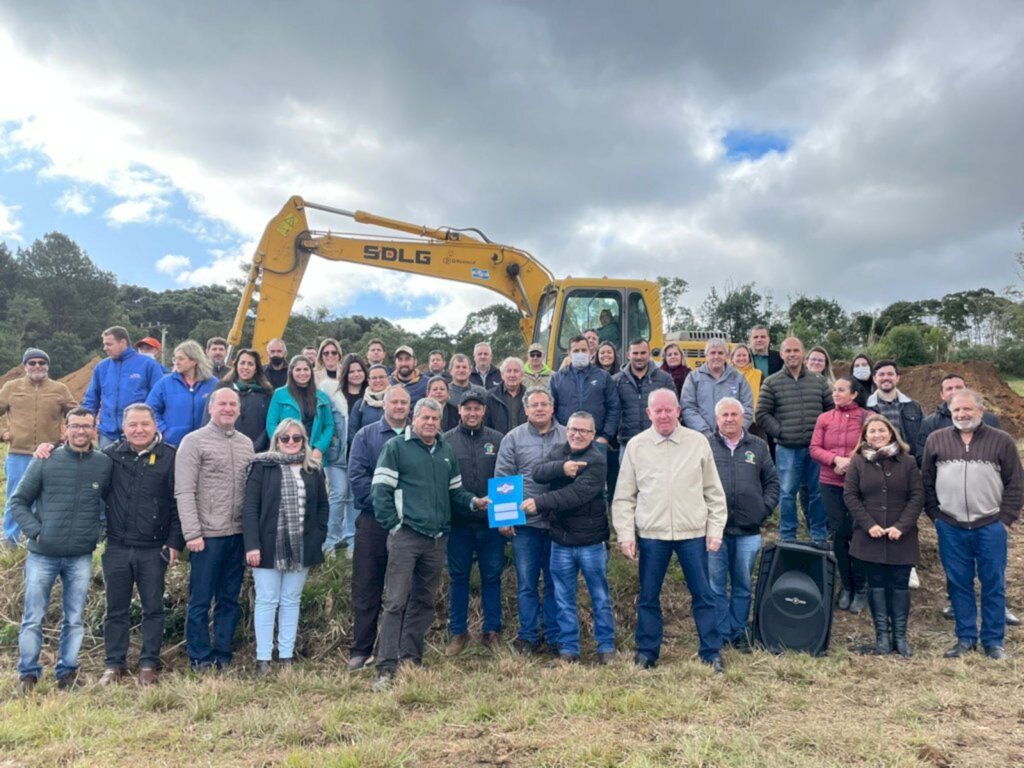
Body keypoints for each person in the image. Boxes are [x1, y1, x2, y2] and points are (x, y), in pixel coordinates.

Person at [371, 397, 488, 691]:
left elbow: (456, 493)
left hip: (437, 540)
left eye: (435, 420)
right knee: (396, 602)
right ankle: (386, 667)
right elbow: (380, 492)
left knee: (423, 602)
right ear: (414, 418)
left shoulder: (445, 450)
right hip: (407, 537)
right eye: (425, 418)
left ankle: (412, 658)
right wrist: (395, 527)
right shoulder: (396, 447)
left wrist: (474, 502)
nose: (431, 423)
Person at [612, 389, 728, 673]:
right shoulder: (637, 446)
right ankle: (647, 652)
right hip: (653, 534)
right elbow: (624, 496)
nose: (663, 415)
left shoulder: (697, 442)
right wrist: (626, 534)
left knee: (704, 595)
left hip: (693, 533)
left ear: (678, 411)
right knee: (649, 597)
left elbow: (713, 491)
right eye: (657, 410)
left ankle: (711, 652)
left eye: (668, 409)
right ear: (649, 413)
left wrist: (715, 529)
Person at [11, 408, 112, 695]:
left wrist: (97, 533)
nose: (81, 431)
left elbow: (108, 504)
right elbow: (18, 502)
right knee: (34, 616)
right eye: (76, 426)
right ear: (64, 429)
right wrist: (37, 531)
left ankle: (67, 672)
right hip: (43, 554)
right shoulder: (45, 460)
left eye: (87, 426)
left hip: (80, 555)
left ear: (95, 429)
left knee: (75, 617)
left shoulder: (103, 464)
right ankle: (28, 673)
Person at [922, 390, 1023, 660]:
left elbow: (1015, 483)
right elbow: (926, 482)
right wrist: (937, 517)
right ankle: (965, 637)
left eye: (967, 410)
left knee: (993, 582)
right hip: (951, 526)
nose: (961, 415)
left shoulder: (1001, 441)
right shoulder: (936, 440)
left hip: (990, 525)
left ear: (981, 410)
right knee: (958, 583)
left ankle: (993, 641)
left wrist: (1005, 520)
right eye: (956, 411)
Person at [91, 403, 182, 686]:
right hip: (117, 546)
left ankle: (148, 663)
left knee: (153, 608)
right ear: (123, 428)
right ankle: (114, 664)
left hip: (154, 549)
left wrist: (174, 542)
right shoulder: (109, 457)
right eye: (133, 425)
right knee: (115, 609)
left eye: (144, 424)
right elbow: (92, 491)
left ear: (155, 426)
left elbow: (179, 503)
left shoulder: (170, 457)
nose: (139, 430)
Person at [524, 411, 615, 664]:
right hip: (561, 541)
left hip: (591, 542)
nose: (577, 434)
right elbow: (538, 473)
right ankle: (569, 650)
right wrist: (562, 468)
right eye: (573, 429)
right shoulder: (559, 452)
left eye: (583, 431)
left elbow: (574, 495)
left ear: (593, 435)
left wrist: (539, 503)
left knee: (600, 597)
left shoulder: (597, 460)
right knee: (563, 599)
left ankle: (606, 647)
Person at [175, 388, 255, 671]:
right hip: (207, 536)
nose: (228, 408)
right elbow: (184, 491)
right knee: (199, 600)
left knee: (229, 599)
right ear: (211, 407)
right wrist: (192, 533)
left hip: (237, 534)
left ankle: (223, 653)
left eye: (233, 404)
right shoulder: (193, 442)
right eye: (222, 403)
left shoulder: (246, 444)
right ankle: (199, 655)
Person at [244, 419, 329, 675]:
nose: (291, 442)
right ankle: (263, 659)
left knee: (291, 600)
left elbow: (323, 506)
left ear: (304, 440)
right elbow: (250, 509)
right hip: (267, 546)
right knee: (267, 600)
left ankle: (286, 657)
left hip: (303, 545)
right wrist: (252, 546)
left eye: (297, 438)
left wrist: (320, 535)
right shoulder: (262, 466)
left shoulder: (313, 469)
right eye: (285, 438)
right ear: (277, 440)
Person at [844, 415, 924, 657]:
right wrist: (869, 525)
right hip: (870, 536)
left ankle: (900, 638)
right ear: (865, 437)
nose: (877, 435)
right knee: (876, 585)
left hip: (901, 536)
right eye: (872, 432)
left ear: (891, 434)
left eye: (882, 431)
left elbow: (917, 496)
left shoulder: (908, 462)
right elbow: (850, 496)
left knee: (900, 586)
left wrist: (902, 526)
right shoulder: (857, 462)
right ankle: (882, 639)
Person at [495, 387, 567, 654]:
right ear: (525, 409)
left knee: (554, 581)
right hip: (525, 525)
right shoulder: (513, 438)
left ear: (552, 408)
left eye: (544, 404)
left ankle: (553, 635)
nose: (539, 408)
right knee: (526, 582)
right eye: (533, 404)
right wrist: (504, 518)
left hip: (559, 523)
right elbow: (503, 478)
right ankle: (527, 636)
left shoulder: (567, 435)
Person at [346, 385, 410, 671]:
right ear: (384, 404)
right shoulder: (366, 435)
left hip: (409, 525)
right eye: (393, 401)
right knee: (367, 586)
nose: (398, 406)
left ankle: (396, 649)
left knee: (402, 591)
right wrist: (386, 504)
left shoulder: (418, 435)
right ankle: (361, 649)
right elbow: (358, 479)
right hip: (373, 522)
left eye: (403, 403)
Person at [708, 397, 778, 652]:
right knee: (716, 585)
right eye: (724, 415)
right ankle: (721, 631)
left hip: (748, 530)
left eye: (734, 414)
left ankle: (738, 632)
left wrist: (762, 509)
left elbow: (772, 483)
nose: (729, 419)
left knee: (742, 584)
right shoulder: (705, 445)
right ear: (716, 419)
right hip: (714, 530)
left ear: (743, 417)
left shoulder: (758, 446)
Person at [443, 387, 506, 656]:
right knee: (458, 579)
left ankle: (491, 631)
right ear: (459, 410)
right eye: (467, 408)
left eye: (477, 408)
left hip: (491, 525)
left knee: (492, 577)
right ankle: (458, 633)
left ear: (484, 411)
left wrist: (505, 517)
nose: (472, 412)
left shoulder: (498, 440)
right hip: (458, 524)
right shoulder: (445, 441)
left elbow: (506, 480)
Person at [755, 337, 833, 543]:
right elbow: (762, 413)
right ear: (781, 354)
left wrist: (822, 435)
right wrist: (780, 432)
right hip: (788, 449)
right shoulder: (772, 382)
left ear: (803, 353)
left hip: (816, 449)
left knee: (817, 493)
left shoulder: (819, 381)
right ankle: (787, 534)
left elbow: (831, 410)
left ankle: (818, 532)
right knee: (788, 493)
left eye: (796, 350)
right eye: (787, 351)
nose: (792, 354)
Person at [0, 347, 77, 547]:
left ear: (47, 366)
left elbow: (75, 412)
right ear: (25, 366)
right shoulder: (11, 387)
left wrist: (68, 431)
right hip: (19, 453)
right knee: (15, 497)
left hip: (49, 454)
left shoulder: (59, 389)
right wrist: (3, 433)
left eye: (41, 363)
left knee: (46, 497)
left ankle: (41, 537)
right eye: (32, 363)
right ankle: (12, 539)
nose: (37, 366)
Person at [809, 377, 869, 612]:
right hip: (830, 482)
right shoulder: (824, 418)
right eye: (834, 390)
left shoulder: (868, 417)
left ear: (854, 394)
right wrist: (834, 460)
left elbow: (874, 444)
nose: (836, 393)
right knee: (839, 532)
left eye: (841, 390)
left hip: (860, 484)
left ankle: (861, 587)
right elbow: (814, 448)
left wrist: (850, 463)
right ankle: (846, 586)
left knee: (859, 533)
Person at [83, 325, 165, 447]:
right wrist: (86, 423)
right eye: (104, 344)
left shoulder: (148, 365)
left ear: (122, 342)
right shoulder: (102, 367)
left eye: (109, 344)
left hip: (138, 433)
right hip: (108, 434)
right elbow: (91, 399)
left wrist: (158, 427)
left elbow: (161, 398)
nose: (105, 348)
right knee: (106, 465)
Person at [549, 335, 620, 448]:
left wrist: (606, 436)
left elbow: (614, 407)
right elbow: (551, 409)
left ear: (590, 351)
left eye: (583, 350)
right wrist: (559, 434)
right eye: (576, 350)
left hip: (597, 440)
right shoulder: (557, 378)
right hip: (566, 440)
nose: (580, 353)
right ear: (569, 352)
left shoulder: (603, 377)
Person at [314, 339, 351, 555]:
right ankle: (331, 539)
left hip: (351, 445)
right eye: (326, 353)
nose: (330, 356)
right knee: (338, 492)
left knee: (351, 495)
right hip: (333, 446)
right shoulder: (318, 380)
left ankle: (349, 537)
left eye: (333, 352)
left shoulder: (346, 377)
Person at [146, 340, 218, 447]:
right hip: (172, 445)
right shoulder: (164, 383)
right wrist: (164, 431)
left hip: (206, 445)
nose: (176, 362)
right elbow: (150, 409)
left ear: (194, 361)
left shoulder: (213, 383)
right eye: (175, 358)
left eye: (181, 359)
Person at [266, 355, 334, 464]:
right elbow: (271, 423)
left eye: (306, 369)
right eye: (298, 369)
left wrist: (320, 448)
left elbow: (329, 425)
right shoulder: (280, 394)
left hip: (313, 454)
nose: (302, 373)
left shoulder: (322, 397)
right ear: (291, 372)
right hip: (287, 451)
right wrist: (283, 444)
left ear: (311, 372)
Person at [681, 338, 754, 439]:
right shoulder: (694, 377)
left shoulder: (738, 378)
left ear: (726, 356)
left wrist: (733, 430)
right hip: (701, 438)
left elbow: (748, 408)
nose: (716, 356)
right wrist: (704, 431)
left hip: (733, 439)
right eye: (712, 353)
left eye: (720, 353)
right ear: (706, 356)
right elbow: (688, 408)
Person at [211, 348, 272, 452]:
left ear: (256, 368)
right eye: (242, 363)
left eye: (250, 364)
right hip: (224, 449)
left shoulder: (265, 392)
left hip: (257, 451)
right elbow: (210, 417)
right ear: (236, 366)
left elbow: (269, 423)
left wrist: (254, 447)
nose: (245, 367)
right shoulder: (221, 388)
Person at [866, 360, 924, 460]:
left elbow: (924, 437)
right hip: (876, 464)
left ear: (897, 378)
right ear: (875, 379)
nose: (886, 378)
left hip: (907, 463)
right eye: (881, 374)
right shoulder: (865, 408)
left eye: (890, 374)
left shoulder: (914, 407)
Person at [484, 357, 527, 435]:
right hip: (498, 444)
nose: (512, 374)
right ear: (502, 375)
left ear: (522, 375)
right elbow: (485, 426)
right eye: (508, 371)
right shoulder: (490, 396)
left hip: (525, 444)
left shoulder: (530, 397)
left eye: (516, 371)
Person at [348, 364, 389, 444]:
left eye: (381, 377)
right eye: (374, 378)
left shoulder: (396, 401)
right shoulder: (360, 404)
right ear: (368, 381)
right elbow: (352, 432)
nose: (378, 380)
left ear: (388, 379)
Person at [729, 343, 762, 410]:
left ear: (749, 358)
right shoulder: (725, 375)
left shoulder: (758, 374)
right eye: (738, 355)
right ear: (732, 358)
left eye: (744, 355)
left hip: (754, 417)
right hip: (731, 417)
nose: (741, 358)